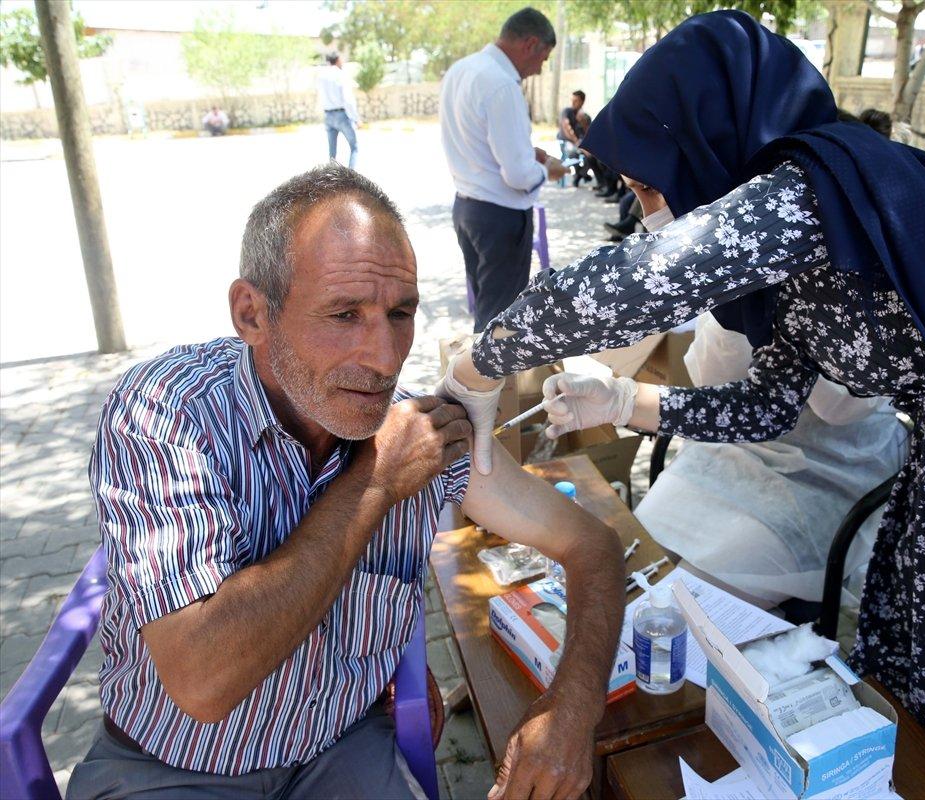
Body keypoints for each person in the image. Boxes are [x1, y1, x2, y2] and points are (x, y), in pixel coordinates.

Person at [437, 12, 925, 799]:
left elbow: (635, 282)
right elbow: (765, 407)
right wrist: (622, 396)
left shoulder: (809, 195)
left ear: (708, 141)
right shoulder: (811, 244)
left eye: (654, 185)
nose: (652, 208)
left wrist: (476, 364)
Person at [67, 164, 624, 800]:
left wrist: (572, 708)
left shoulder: (420, 432)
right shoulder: (166, 413)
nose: (385, 358)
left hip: (339, 748)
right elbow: (202, 680)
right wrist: (374, 485)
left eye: (401, 313)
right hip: (170, 768)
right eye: (343, 314)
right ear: (252, 313)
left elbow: (593, 546)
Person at [632, 313, 907, 609]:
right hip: (737, 445)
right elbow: (711, 381)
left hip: (833, 464)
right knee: (639, 554)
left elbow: (842, 408)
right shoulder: (747, 268)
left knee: (687, 606)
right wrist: (733, 315)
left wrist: (797, 319)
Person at [440, 7, 567, 333]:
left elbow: (478, 142)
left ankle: (479, 379)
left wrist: (529, 153)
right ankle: (486, 382)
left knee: (486, 310)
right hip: (500, 216)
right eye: (543, 58)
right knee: (500, 323)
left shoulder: (461, 70)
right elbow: (518, 176)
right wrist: (547, 171)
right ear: (530, 44)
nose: (540, 70)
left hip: (468, 209)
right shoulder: (502, 85)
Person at [317, 51, 359, 170]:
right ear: (337, 60)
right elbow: (348, 99)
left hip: (328, 115)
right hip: (341, 115)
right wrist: (356, 118)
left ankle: (331, 178)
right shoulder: (340, 74)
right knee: (354, 147)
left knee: (332, 152)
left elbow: (320, 96)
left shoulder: (321, 76)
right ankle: (352, 177)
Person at [558, 90, 590, 186]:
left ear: (582, 102)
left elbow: (589, 133)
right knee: (573, 154)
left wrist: (583, 123)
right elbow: (567, 128)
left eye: (575, 100)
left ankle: (580, 175)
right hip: (567, 142)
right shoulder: (567, 111)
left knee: (593, 155)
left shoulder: (585, 116)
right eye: (572, 100)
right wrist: (577, 143)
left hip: (580, 143)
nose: (572, 102)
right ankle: (581, 176)